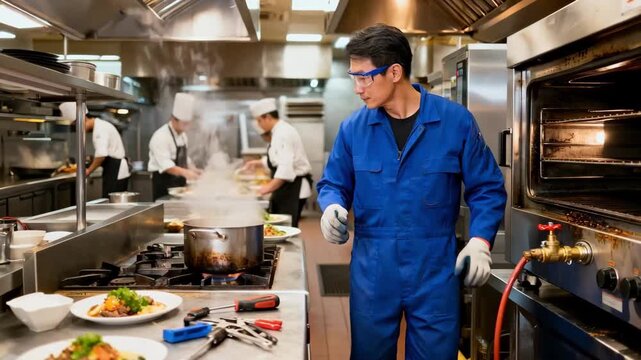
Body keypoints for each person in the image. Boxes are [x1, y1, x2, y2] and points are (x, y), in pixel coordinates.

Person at [316, 24, 506, 359]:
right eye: (353, 76)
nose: (357, 88)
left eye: (364, 77)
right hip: (373, 268)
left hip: (434, 269)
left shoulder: (455, 122)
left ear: (394, 72)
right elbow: (333, 183)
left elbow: (487, 188)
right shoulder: (353, 129)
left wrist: (480, 241)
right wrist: (331, 206)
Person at [244, 98, 312, 227]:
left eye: (259, 120)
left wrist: (264, 190)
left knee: (285, 226)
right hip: (288, 187)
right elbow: (279, 158)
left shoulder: (282, 133)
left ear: (268, 117)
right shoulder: (279, 131)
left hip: (293, 188)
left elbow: (285, 170)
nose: (259, 125)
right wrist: (259, 162)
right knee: (281, 224)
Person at [59, 102, 130, 198]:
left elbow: (101, 155)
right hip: (114, 168)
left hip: (116, 169)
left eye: (76, 126)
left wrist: (88, 171)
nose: (79, 129)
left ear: (81, 120)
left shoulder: (100, 129)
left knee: (112, 203)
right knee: (112, 202)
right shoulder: (100, 125)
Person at [148, 92, 202, 200]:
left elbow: (184, 159)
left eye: (188, 123)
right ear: (173, 119)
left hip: (179, 186)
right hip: (163, 184)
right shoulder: (161, 137)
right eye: (184, 124)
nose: (187, 127)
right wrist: (187, 173)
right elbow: (167, 166)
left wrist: (195, 170)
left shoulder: (182, 135)